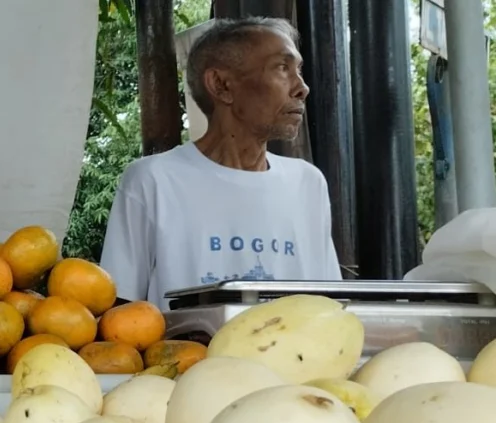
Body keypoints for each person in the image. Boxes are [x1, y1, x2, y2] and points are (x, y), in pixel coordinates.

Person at [99, 16, 342, 309]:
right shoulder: (153, 180)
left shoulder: (308, 183)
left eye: (298, 70)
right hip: (188, 356)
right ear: (221, 85)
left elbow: (330, 306)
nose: (302, 88)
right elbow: (120, 314)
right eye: (282, 67)